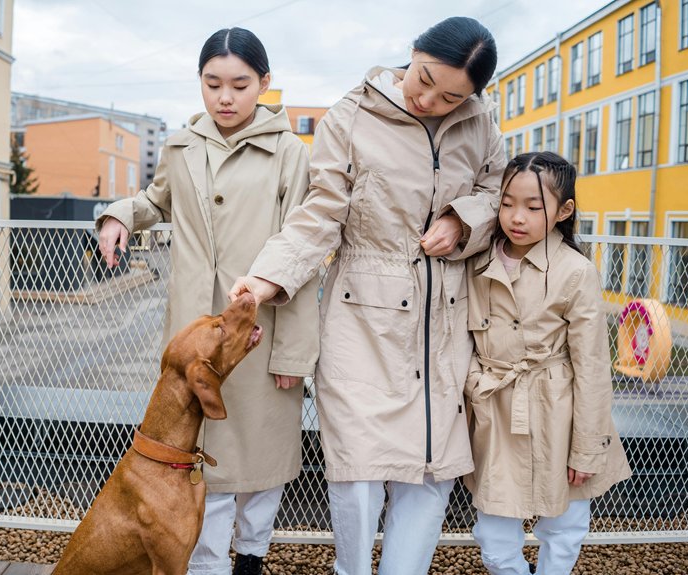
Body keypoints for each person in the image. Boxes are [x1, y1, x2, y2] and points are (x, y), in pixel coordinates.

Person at [229, 17, 505, 575]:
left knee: (431, 474)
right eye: (424, 79)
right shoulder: (350, 116)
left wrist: (462, 219)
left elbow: (498, 190)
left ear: (473, 96)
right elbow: (321, 213)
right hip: (361, 318)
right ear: (413, 52)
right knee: (356, 472)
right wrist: (266, 277)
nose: (429, 100)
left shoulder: (482, 125)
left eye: (452, 96)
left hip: (446, 320)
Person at [96, 28, 319, 575]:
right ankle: (210, 565)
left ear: (264, 84)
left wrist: (293, 355)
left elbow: (303, 252)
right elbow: (155, 200)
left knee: (263, 464)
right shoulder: (180, 145)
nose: (225, 97)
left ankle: (252, 558)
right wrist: (120, 214)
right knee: (202, 464)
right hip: (195, 338)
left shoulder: (291, 154)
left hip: (259, 335)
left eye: (240, 85)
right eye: (212, 83)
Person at [463, 151, 633, 575]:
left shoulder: (575, 271)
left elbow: (593, 366)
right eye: (506, 203)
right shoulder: (475, 260)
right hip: (495, 409)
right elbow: (457, 338)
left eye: (533, 206)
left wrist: (587, 448)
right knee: (494, 538)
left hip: (562, 412)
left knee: (564, 529)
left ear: (564, 210)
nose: (516, 217)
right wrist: (472, 382)